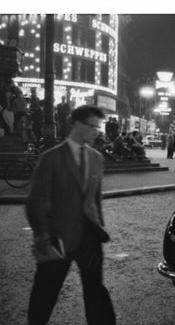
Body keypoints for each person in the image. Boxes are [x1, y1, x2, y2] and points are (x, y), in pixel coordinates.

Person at [25, 105, 116, 325]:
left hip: (90, 237)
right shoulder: (51, 158)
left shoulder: (96, 157)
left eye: (98, 126)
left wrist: (98, 225)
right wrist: (42, 234)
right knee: (46, 290)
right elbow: (35, 200)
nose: (97, 131)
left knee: (95, 290)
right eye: (92, 126)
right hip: (59, 237)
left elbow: (95, 197)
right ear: (76, 125)